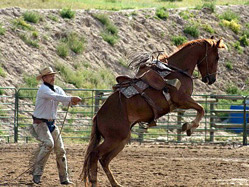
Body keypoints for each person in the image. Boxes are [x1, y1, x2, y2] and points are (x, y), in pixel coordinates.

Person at [30, 66, 82, 185]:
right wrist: (70, 98)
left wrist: (71, 102)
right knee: (49, 144)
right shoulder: (43, 89)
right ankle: (37, 173)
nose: (53, 77)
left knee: (60, 150)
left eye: (53, 75)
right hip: (40, 123)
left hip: (51, 123)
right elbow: (57, 97)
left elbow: (63, 101)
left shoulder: (57, 89)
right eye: (50, 75)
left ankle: (64, 178)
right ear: (44, 78)